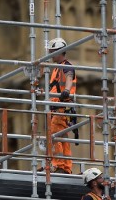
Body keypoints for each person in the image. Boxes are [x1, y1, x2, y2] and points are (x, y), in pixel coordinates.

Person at [45, 37, 76, 174]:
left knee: (55, 134)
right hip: (57, 106)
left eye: (52, 52)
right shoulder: (57, 68)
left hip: (62, 106)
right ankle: (66, 166)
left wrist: (67, 91)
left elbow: (69, 77)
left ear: (60, 52)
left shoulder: (66, 65)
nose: (50, 55)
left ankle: (58, 164)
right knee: (62, 137)